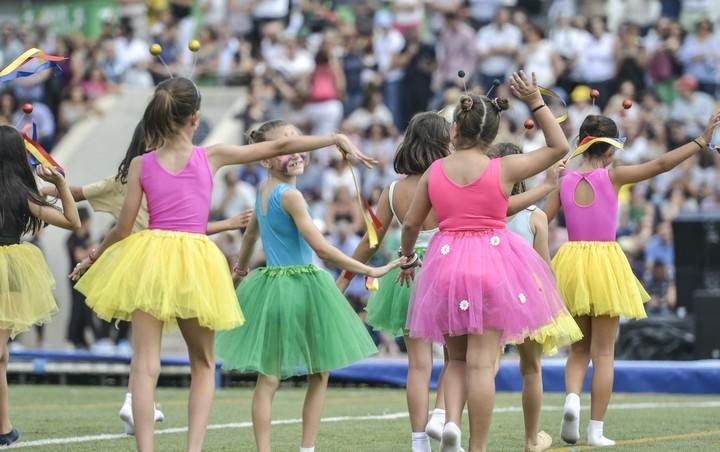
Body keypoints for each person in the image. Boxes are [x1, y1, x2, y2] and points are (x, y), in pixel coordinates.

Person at [69, 77, 378, 452]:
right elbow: (280, 144)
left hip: (149, 258)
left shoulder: (140, 164)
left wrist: (91, 258)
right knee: (203, 363)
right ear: (195, 119)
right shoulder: (209, 155)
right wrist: (334, 138)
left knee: (145, 365)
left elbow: (122, 228)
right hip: (196, 260)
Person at [44, 120, 253, 435]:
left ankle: (135, 399)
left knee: (144, 349)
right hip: (163, 264)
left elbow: (78, 193)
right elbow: (185, 226)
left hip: (141, 266)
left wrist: (44, 190)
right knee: (175, 354)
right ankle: (135, 400)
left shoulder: (128, 177)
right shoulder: (153, 174)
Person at [400, 71, 570, 452]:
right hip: (494, 263)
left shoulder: (434, 171)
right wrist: (536, 101)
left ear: (454, 130)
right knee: (481, 366)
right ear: (493, 136)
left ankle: (447, 422)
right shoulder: (503, 168)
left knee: (456, 362)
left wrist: (407, 257)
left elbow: (411, 223)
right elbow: (559, 147)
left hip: (445, 265)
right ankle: (477, 447)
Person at [215, 120, 398, 452]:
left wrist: (240, 271)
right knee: (319, 373)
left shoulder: (263, 192)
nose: (297, 151)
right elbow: (323, 249)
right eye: (287, 146)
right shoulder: (292, 196)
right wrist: (371, 268)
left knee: (268, 379)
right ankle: (307, 449)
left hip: (271, 287)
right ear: (268, 157)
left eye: (298, 142)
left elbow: (251, 235)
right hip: (303, 286)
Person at [544, 112, 720, 447]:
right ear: (610, 150)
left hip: (570, 263)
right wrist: (700, 141)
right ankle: (595, 430)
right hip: (605, 262)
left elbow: (542, 218)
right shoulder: (614, 176)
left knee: (578, 351)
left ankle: (571, 399)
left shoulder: (563, 181)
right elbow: (662, 164)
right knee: (605, 353)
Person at [338, 112, 451, 452]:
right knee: (456, 357)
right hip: (450, 270)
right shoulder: (449, 181)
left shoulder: (392, 191)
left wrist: (344, 277)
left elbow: (370, 241)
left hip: (409, 276)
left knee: (418, 364)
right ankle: (442, 414)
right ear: (441, 143)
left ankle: (418, 441)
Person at [489, 143, 582, 452]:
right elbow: (543, 267)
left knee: (483, 366)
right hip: (527, 298)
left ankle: (467, 435)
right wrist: (555, 304)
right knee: (531, 368)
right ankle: (531, 439)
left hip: (489, 292)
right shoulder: (536, 216)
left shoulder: (486, 213)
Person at [0, 125, 81, 446]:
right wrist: (60, 185)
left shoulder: (23, 193)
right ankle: (3, 427)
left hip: (10, 270)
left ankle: (4, 427)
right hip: (14, 270)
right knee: (1, 355)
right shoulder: (23, 195)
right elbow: (73, 222)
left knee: (1, 356)